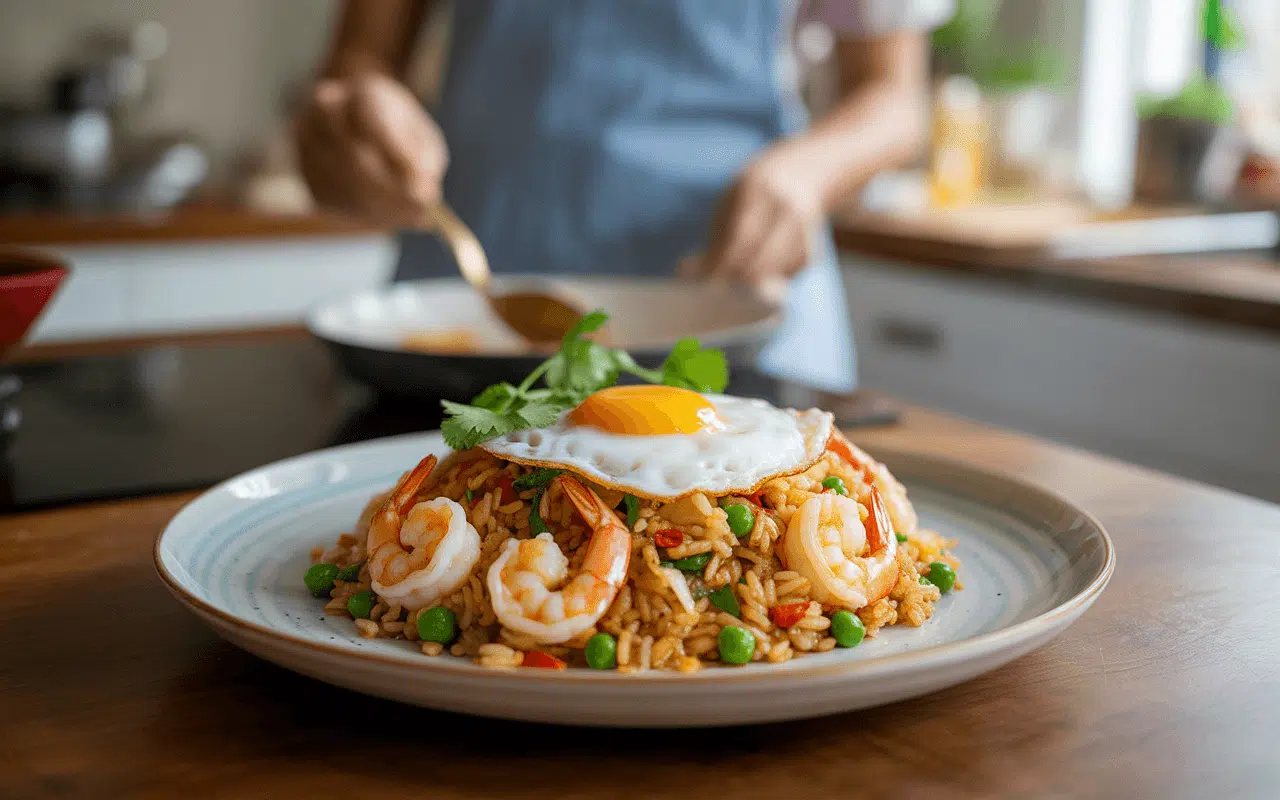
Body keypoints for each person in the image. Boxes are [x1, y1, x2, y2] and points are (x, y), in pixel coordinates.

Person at [297, 0, 952, 393]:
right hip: (472, 310)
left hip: (738, 296)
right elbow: (357, 62)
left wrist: (806, 175)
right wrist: (350, 120)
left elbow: (894, 98)